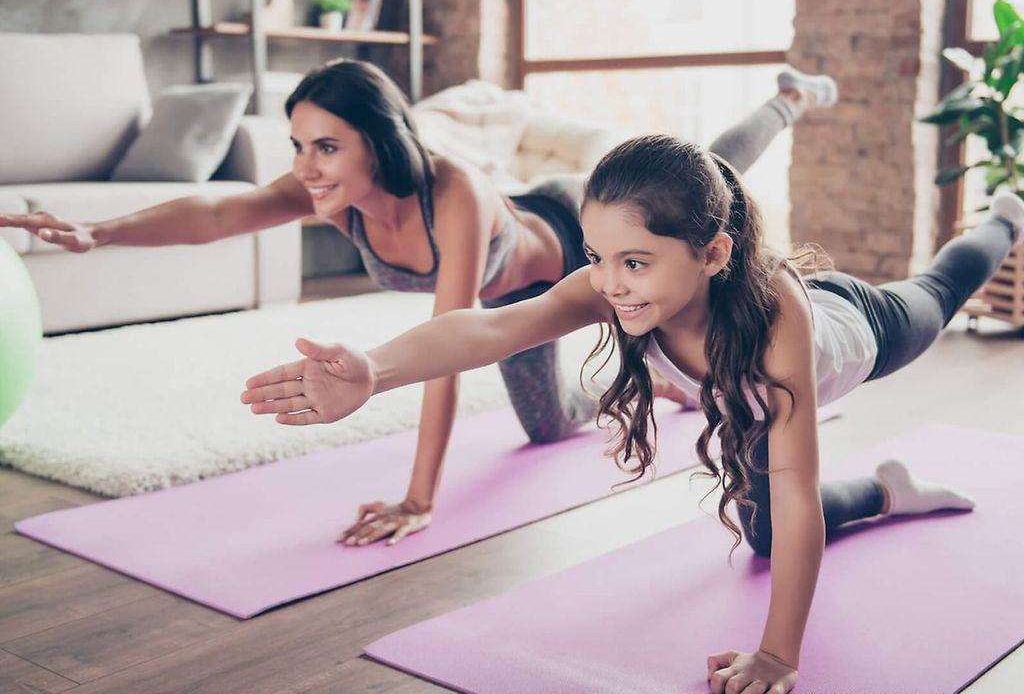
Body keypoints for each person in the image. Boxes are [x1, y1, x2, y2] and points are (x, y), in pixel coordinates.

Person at [241, 133, 1024, 693]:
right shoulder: (610, 287)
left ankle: (1002, 217)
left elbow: (792, 481)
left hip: (854, 333)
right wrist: (374, 370)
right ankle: (892, 493)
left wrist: (779, 656)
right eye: (597, 257)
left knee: (939, 293)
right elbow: (491, 327)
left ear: (713, 253)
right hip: (748, 400)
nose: (609, 284)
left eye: (635, 262)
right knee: (762, 541)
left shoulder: (777, 311)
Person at [0, 58, 835, 551]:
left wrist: (420, 496)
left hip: (550, 254)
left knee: (714, 173)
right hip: (511, 309)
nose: (308, 166)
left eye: (327, 146)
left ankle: (787, 100)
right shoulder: (333, 187)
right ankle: (652, 373)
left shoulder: (454, 197)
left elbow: (455, 338)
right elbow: (218, 211)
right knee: (548, 427)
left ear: (381, 143)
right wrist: (95, 233)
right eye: (299, 146)